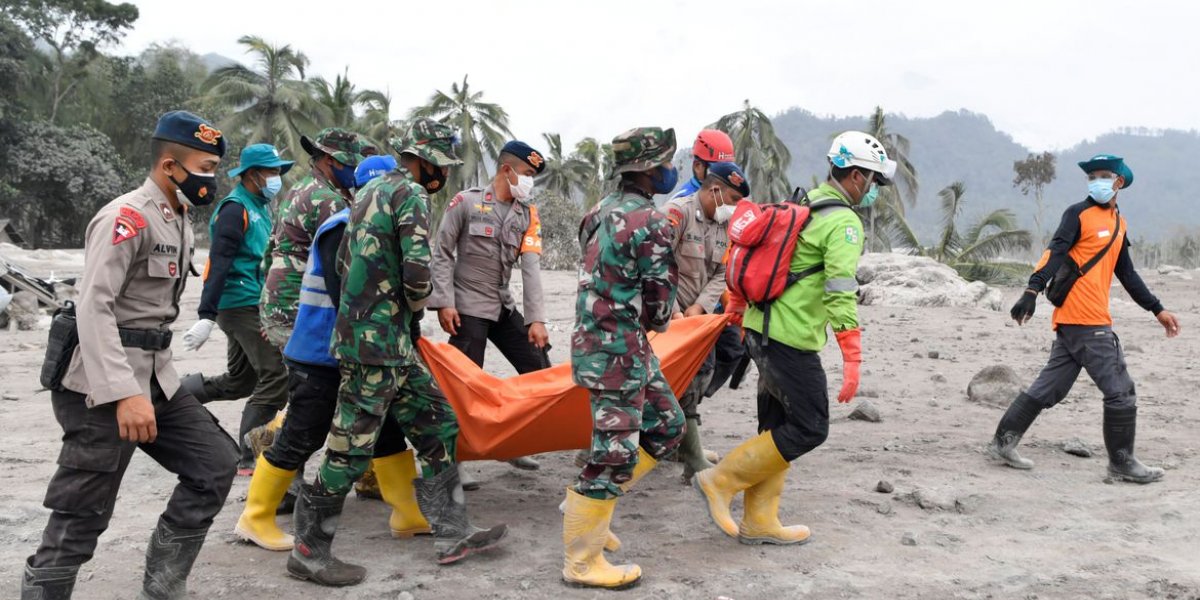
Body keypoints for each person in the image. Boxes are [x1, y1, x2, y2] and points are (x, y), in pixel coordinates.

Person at [22, 111, 239, 600]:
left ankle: (163, 585)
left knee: (216, 464)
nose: (212, 179)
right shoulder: (126, 217)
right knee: (83, 514)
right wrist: (123, 394)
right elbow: (93, 308)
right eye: (205, 167)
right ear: (169, 165)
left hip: (157, 378)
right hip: (101, 387)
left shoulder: (176, 216)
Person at [287, 119, 506, 587]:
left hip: (387, 343)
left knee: (437, 423)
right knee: (349, 449)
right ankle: (309, 550)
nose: (441, 174)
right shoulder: (412, 194)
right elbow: (417, 273)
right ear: (424, 160)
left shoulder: (367, 191)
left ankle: (453, 531)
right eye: (440, 165)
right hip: (377, 346)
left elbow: (346, 263)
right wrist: (414, 305)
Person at [695, 131, 893, 546]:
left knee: (776, 426)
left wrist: (736, 310)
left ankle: (760, 520)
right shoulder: (843, 221)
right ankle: (721, 480)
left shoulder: (803, 203)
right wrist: (852, 358)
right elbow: (841, 291)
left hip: (759, 329)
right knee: (810, 427)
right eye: (873, 180)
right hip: (788, 338)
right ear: (856, 175)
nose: (873, 189)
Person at [235, 153, 432, 552]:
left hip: (355, 352)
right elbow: (347, 296)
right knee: (303, 433)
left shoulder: (373, 226)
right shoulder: (340, 226)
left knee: (387, 429)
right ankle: (254, 518)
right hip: (319, 353)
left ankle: (407, 513)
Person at [991, 154, 1180, 483]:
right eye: (1092, 176)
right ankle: (1121, 464)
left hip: (1074, 323)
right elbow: (1055, 252)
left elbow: (1127, 274)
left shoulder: (1120, 224)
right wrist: (1031, 291)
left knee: (1050, 387)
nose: (1096, 181)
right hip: (1087, 320)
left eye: (1103, 175)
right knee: (1121, 390)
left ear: (1119, 182)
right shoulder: (1077, 213)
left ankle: (1002, 442)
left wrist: (1157, 308)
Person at [563, 126, 683, 590]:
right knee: (612, 455)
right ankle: (581, 559)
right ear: (652, 169)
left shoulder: (597, 211)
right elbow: (659, 303)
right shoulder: (652, 222)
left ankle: (595, 507)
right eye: (667, 162)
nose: (670, 168)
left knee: (669, 426)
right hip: (616, 352)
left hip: (615, 345)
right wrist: (654, 317)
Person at [429, 140, 551, 476]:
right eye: (526, 174)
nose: (529, 182)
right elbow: (442, 254)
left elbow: (531, 268)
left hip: (501, 305)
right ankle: (454, 461)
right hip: (467, 306)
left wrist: (536, 320)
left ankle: (512, 443)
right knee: (463, 388)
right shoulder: (466, 203)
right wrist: (444, 302)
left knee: (540, 369)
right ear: (505, 170)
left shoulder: (527, 215)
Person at [179, 143, 294, 474]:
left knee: (241, 381)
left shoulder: (260, 206)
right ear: (253, 174)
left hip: (252, 298)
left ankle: (176, 396)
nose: (276, 178)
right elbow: (219, 262)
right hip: (238, 302)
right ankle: (250, 453)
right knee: (276, 373)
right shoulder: (235, 208)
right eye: (271, 172)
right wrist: (206, 315)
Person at [660, 161, 749, 482]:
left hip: (695, 318)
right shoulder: (678, 212)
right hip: (660, 316)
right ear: (715, 190)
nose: (737, 207)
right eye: (734, 198)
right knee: (667, 383)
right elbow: (656, 262)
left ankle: (681, 445)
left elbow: (720, 273)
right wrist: (671, 310)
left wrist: (699, 307)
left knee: (701, 373)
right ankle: (691, 457)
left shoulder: (725, 227)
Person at [255, 128, 367, 349]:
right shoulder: (328, 200)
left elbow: (271, 249)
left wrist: (272, 307)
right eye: (350, 164)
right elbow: (338, 269)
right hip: (299, 305)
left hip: (278, 299)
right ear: (329, 159)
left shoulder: (297, 189)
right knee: (311, 378)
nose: (354, 170)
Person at [672, 129, 736, 199]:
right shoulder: (682, 202)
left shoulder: (730, 197)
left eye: (729, 169)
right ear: (698, 167)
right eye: (719, 170)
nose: (726, 176)